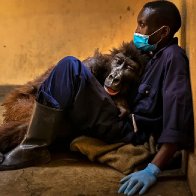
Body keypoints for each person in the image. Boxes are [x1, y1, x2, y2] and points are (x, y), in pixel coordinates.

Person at [0, 0, 193, 195]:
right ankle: (28, 142)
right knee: (70, 73)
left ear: (163, 32)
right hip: (119, 116)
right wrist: (119, 101)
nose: (137, 30)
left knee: (70, 67)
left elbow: (176, 118)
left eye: (142, 25)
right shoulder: (152, 55)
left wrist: (153, 169)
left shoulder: (172, 58)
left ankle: (34, 147)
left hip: (128, 130)